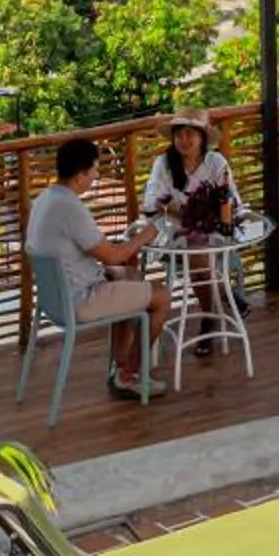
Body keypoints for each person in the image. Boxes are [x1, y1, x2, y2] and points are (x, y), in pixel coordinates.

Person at [24, 137, 166, 401]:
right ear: (80, 175)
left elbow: (93, 252)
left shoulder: (46, 198)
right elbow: (112, 256)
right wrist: (148, 234)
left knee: (132, 277)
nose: (96, 176)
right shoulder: (69, 207)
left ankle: (120, 367)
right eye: (95, 170)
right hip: (80, 299)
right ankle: (129, 375)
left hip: (57, 296)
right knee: (161, 296)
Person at [141, 113, 242, 317]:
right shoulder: (164, 163)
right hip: (175, 230)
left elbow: (232, 200)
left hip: (213, 229)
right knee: (194, 247)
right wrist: (179, 211)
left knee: (198, 251)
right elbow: (151, 202)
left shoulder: (215, 162)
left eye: (190, 134)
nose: (184, 140)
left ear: (202, 137)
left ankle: (210, 320)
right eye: (179, 135)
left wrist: (207, 210)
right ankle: (223, 299)